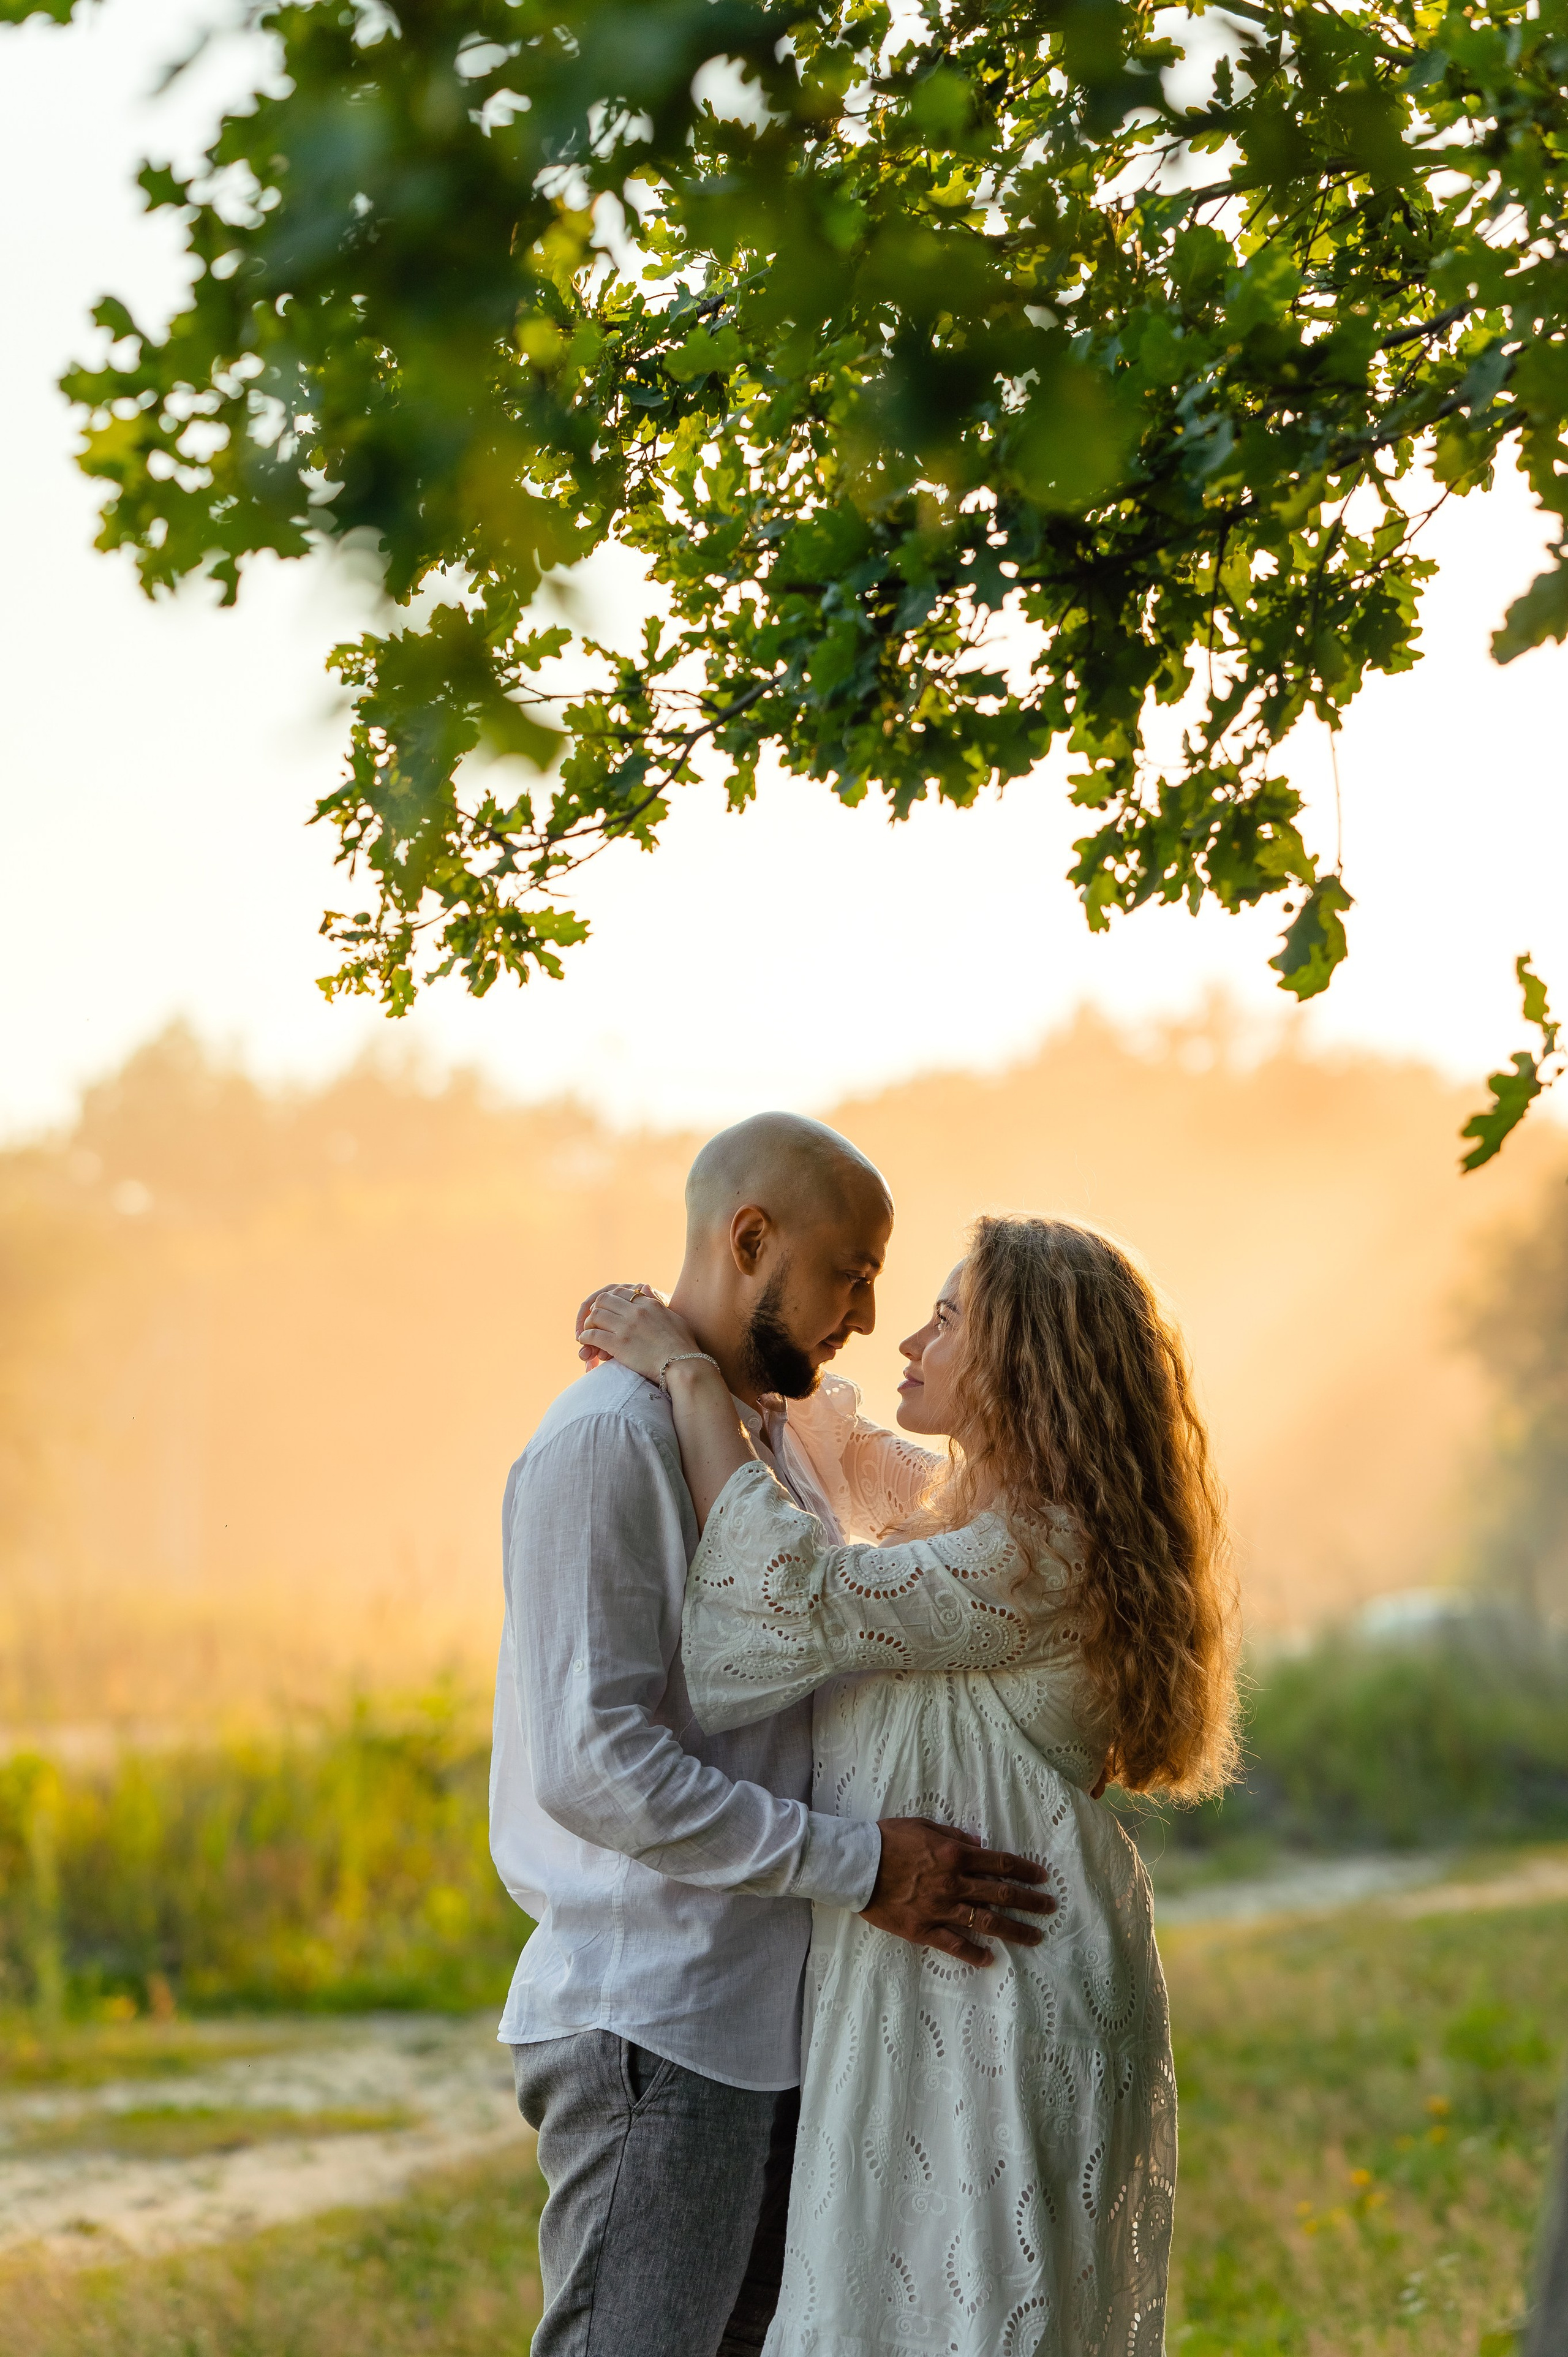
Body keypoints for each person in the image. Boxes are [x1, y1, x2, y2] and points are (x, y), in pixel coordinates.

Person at [581, 1214, 1240, 2356]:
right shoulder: (967, 1514)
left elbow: (791, 1594)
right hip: (937, 1977)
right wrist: (719, 1339)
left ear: (1028, 1358)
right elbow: (825, 1448)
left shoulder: (1039, 1549)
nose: (905, 1339)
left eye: (947, 1316)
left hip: (1000, 1986)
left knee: (972, 2315)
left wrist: (684, 1372)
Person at [489, 1116, 1057, 2357]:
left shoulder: (768, 1440)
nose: (868, 1308)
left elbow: (948, 1493)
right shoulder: (606, 1442)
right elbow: (595, 1765)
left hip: (762, 2020)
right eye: (850, 1270)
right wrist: (862, 1865)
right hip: (654, 2020)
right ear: (749, 1239)